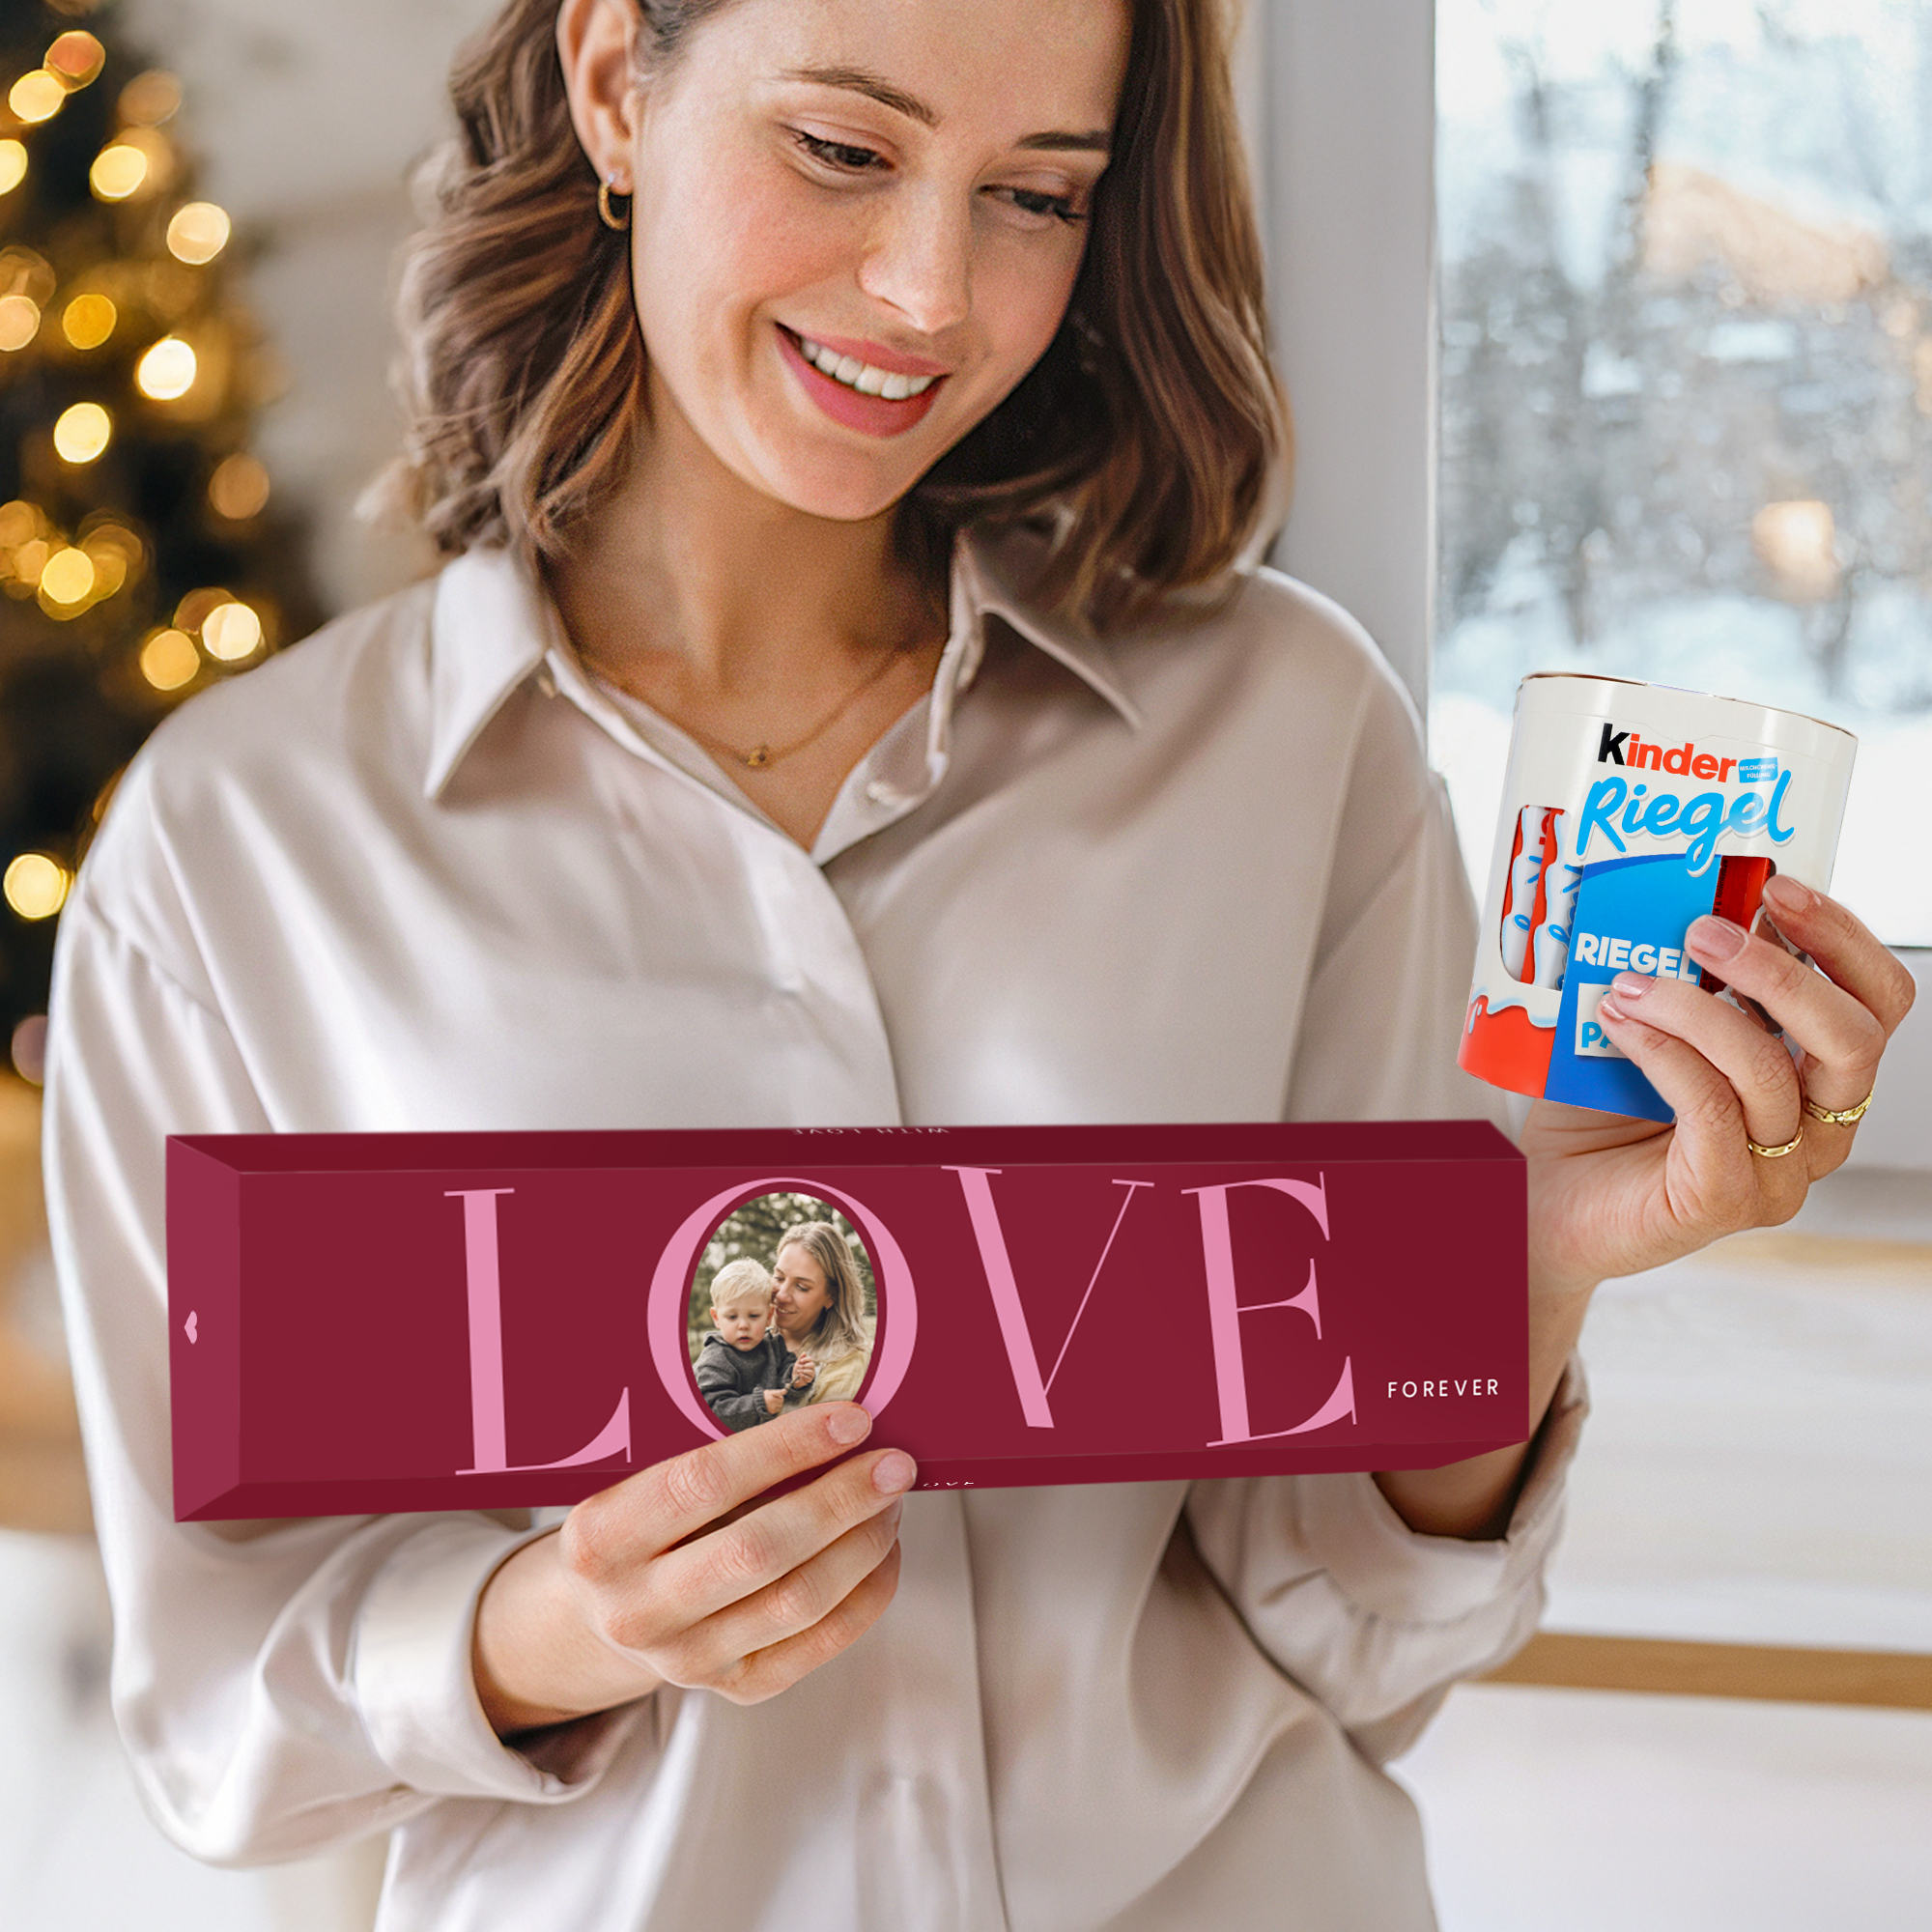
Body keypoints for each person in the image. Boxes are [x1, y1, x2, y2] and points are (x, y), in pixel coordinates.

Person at [41, 0, 1913, 1926]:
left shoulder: (1282, 735)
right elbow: (219, 1719)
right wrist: (555, 1623)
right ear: (615, 81)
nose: (932, 289)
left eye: (1035, 193)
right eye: (843, 152)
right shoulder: (240, 849)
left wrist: (1516, 1271)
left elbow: (1361, 1638)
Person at [692, 1258, 813, 1430]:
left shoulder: (773, 1346)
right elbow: (711, 1410)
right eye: (732, 1317)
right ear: (716, 1318)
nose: (743, 1325)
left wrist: (795, 1377)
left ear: (769, 1315)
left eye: (754, 1316)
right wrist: (758, 1404)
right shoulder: (715, 1359)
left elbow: (783, 1383)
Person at [768, 1222, 872, 1408]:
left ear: (831, 1297)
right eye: (779, 1277)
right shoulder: (750, 1337)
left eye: (802, 1287)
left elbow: (814, 1435)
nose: (782, 1295)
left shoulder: (845, 1360)